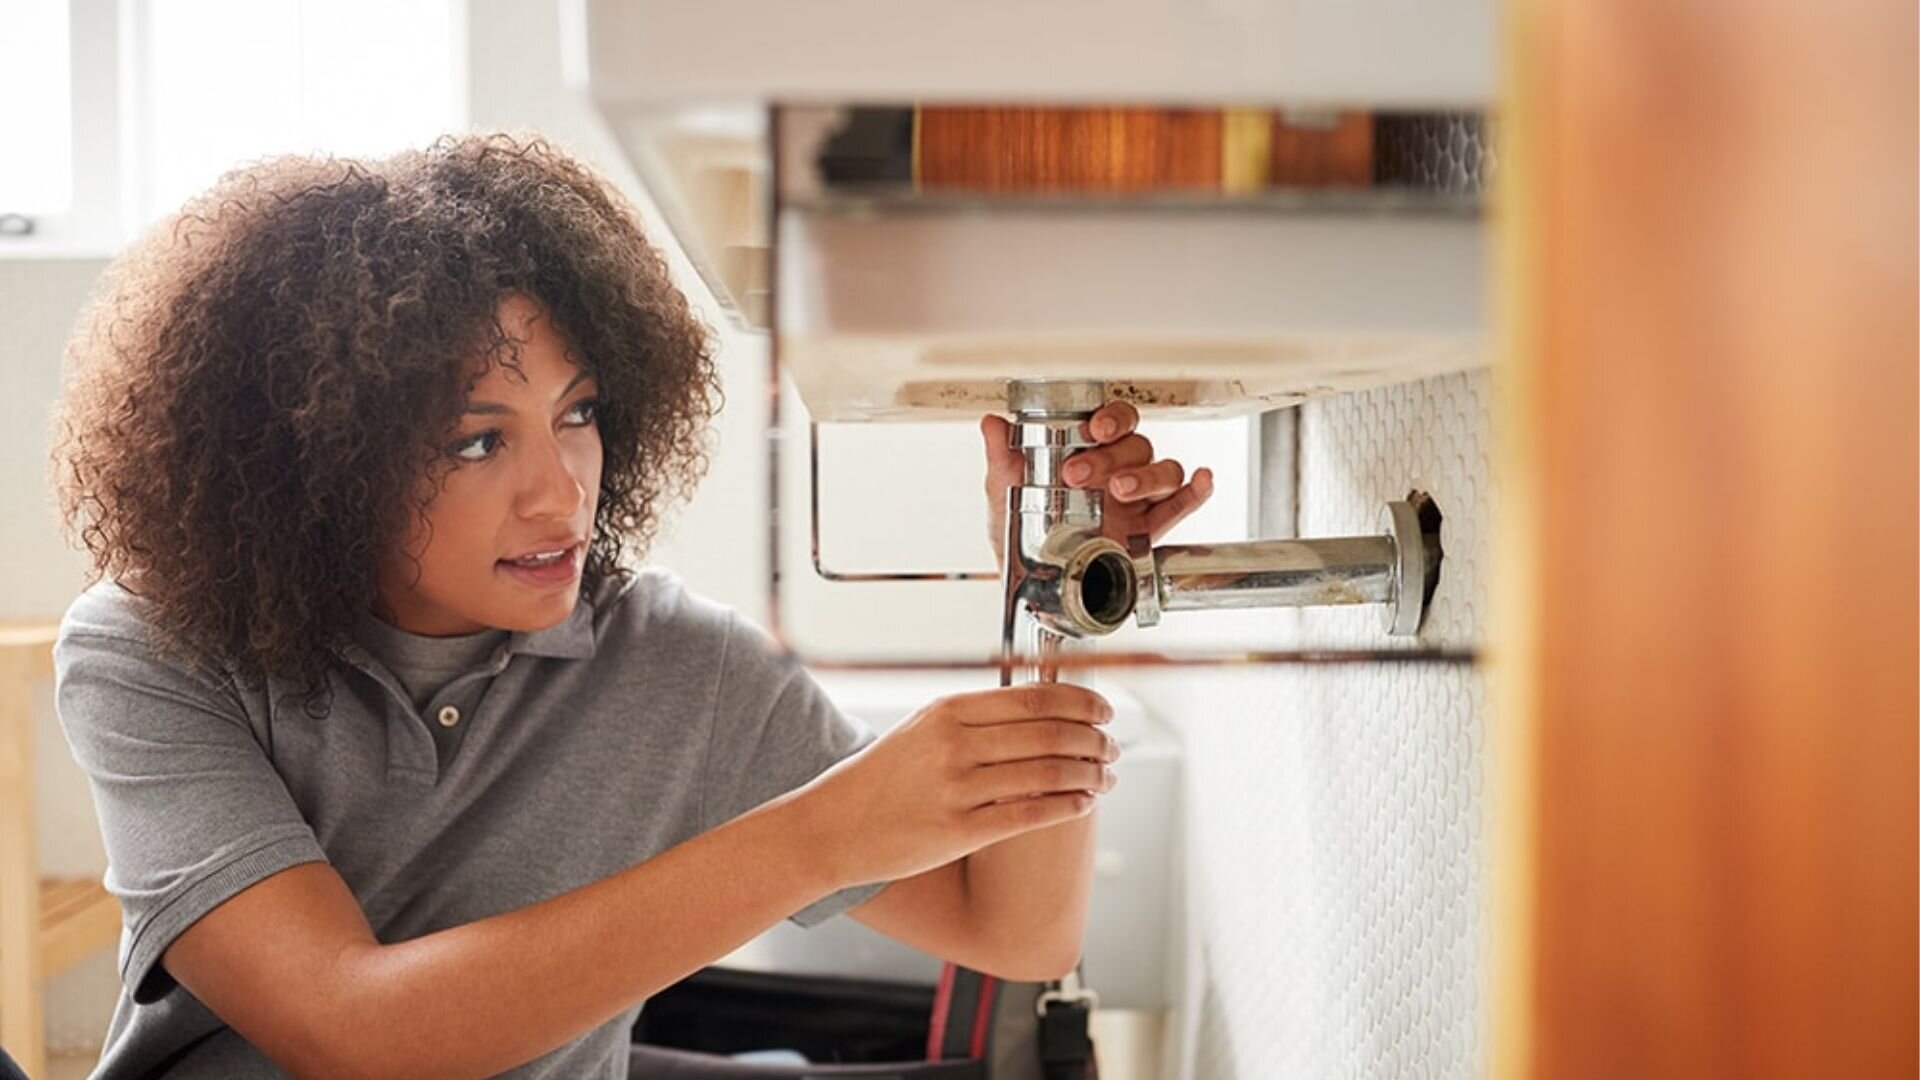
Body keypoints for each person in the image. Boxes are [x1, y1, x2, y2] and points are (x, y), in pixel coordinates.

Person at [47, 132, 1214, 1079]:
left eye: (579, 411)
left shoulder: (678, 668)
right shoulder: (153, 648)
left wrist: (1060, 588)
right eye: (474, 440)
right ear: (321, 457)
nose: (562, 490)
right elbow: (356, 1034)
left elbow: (1013, 931)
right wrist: (820, 835)